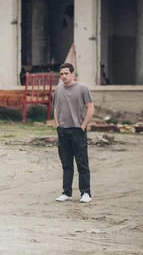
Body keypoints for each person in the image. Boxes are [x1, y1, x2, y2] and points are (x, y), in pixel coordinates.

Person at [53, 63, 94, 203]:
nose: (64, 76)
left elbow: (90, 108)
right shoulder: (58, 89)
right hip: (63, 131)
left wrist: (83, 126)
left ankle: (85, 193)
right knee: (66, 163)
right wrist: (57, 125)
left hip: (78, 130)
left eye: (66, 73)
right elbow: (56, 108)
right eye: (61, 74)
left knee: (82, 163)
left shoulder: (83, 88)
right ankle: (67, 193)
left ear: (72, 74)